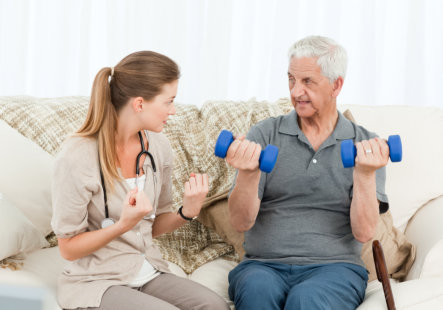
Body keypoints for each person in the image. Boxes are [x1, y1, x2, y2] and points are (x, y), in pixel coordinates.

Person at [51, 51, 229, 310]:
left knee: (214, 306)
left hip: (148, 271)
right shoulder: (76, 156)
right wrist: (122, 225)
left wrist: (187, 212)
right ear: (139, 104)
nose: (174, 110)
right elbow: (68, 249)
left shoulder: (157, 147)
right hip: (96, 281)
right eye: (168, 102)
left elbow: (151, 226)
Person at [226, 36, 390, 310]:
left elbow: (364, 233)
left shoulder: (366, 146)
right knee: (257, 293)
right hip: (263, 265)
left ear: (336, 85)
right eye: (291, 80)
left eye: (307, 82)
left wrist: (364, 174)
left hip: (335, 269)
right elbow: (240, 223)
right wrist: (248, 173)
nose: (296, 92)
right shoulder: (264, 134)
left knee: (307, 300)